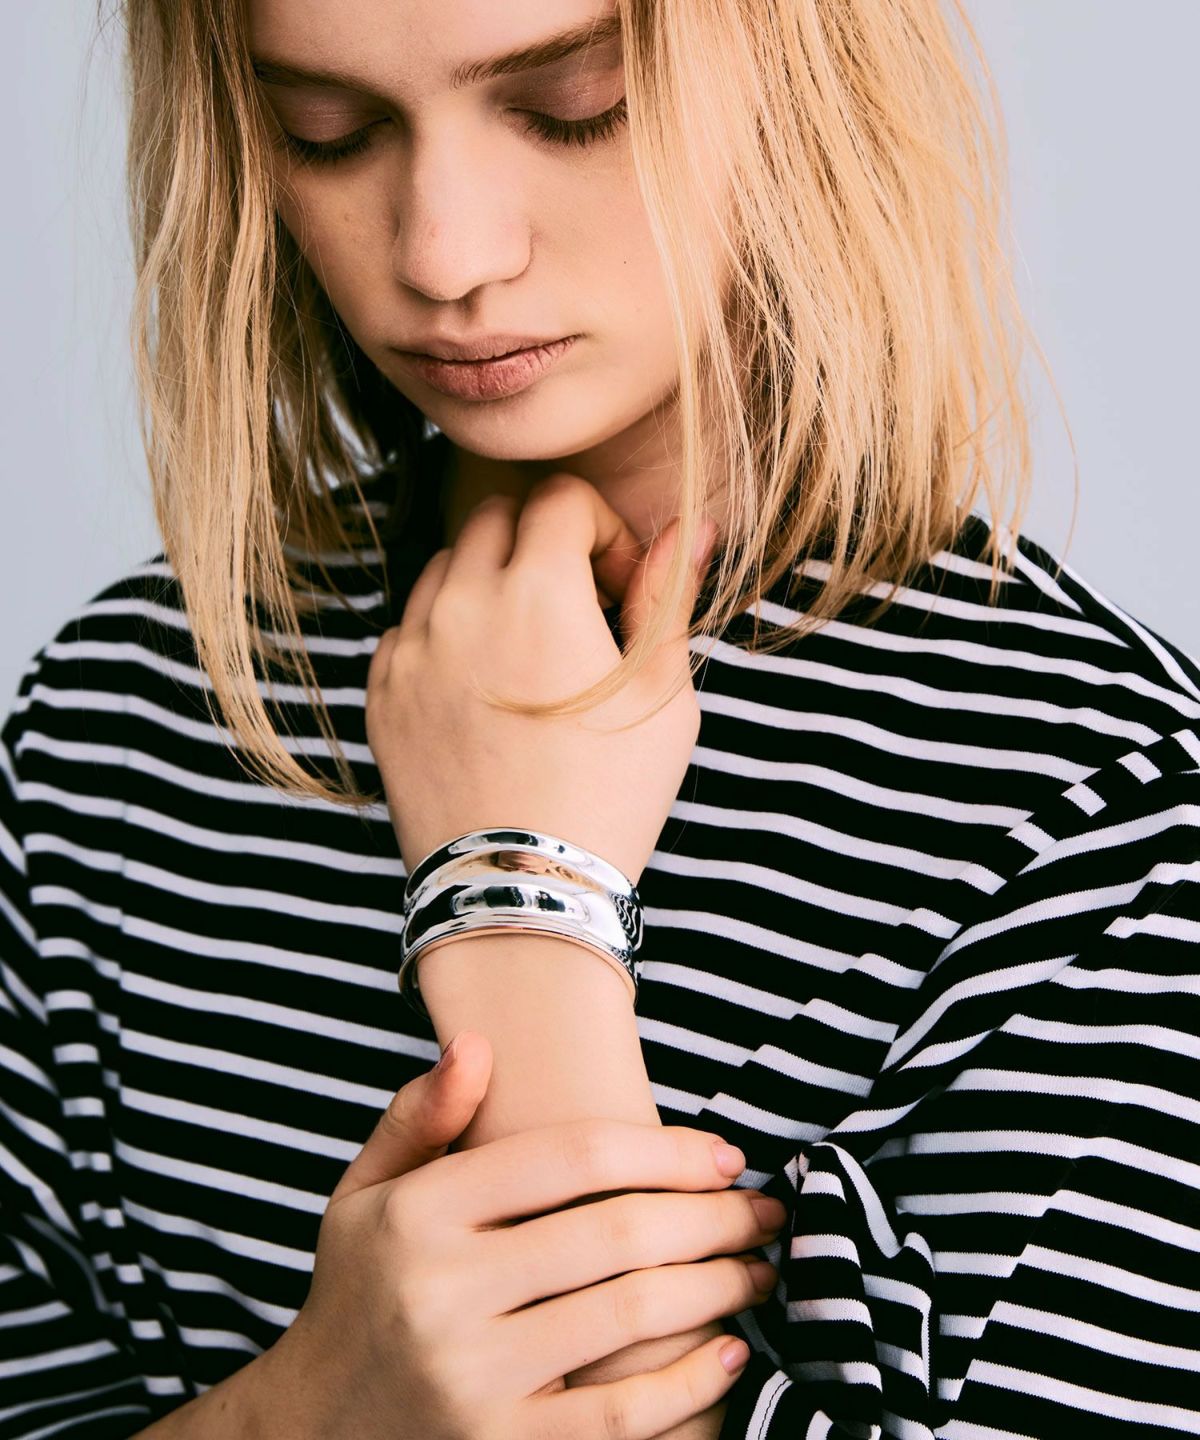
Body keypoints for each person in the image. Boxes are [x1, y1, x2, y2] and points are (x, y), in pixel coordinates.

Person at [2, 0, 1198, 1437]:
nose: (446, 255)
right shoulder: (116, 720)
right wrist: (302, 1413)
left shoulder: (1104, 817)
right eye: (328, 131)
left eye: (576, 106)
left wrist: (518, 919)